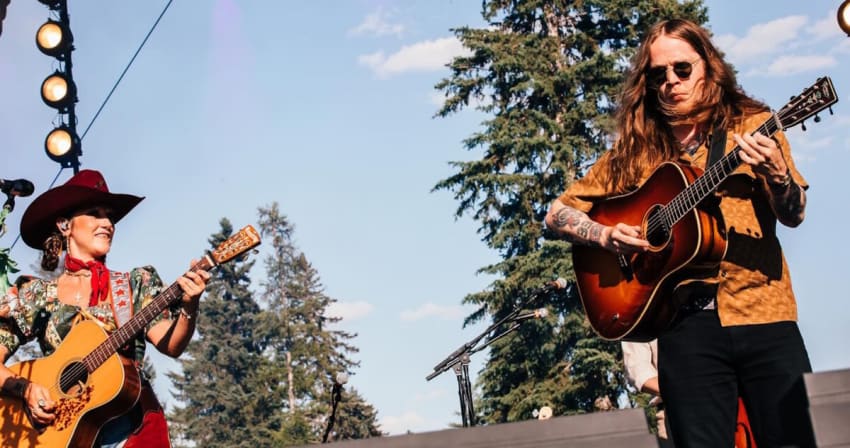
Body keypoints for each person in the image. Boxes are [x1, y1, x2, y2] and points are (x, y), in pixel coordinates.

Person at [545, 19, 814, 447]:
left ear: (708, 66)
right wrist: (606, 236)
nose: (671, 81)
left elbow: (794, 214)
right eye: (658, 75)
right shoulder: (636, 151)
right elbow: (557, 213)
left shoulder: (753, 124)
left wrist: (779, 177)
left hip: (764, 313)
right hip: (684, 327)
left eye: (682, 69)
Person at [0, 169, 210, 447]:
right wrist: (25, 390)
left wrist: (189, 305)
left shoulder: (134, 284)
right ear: (65, 225)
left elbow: (171, 345)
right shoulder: (36, 295)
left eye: (110, 216)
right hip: (62, 433)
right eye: (95, 213)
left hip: (130, 427)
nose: (107, 223)